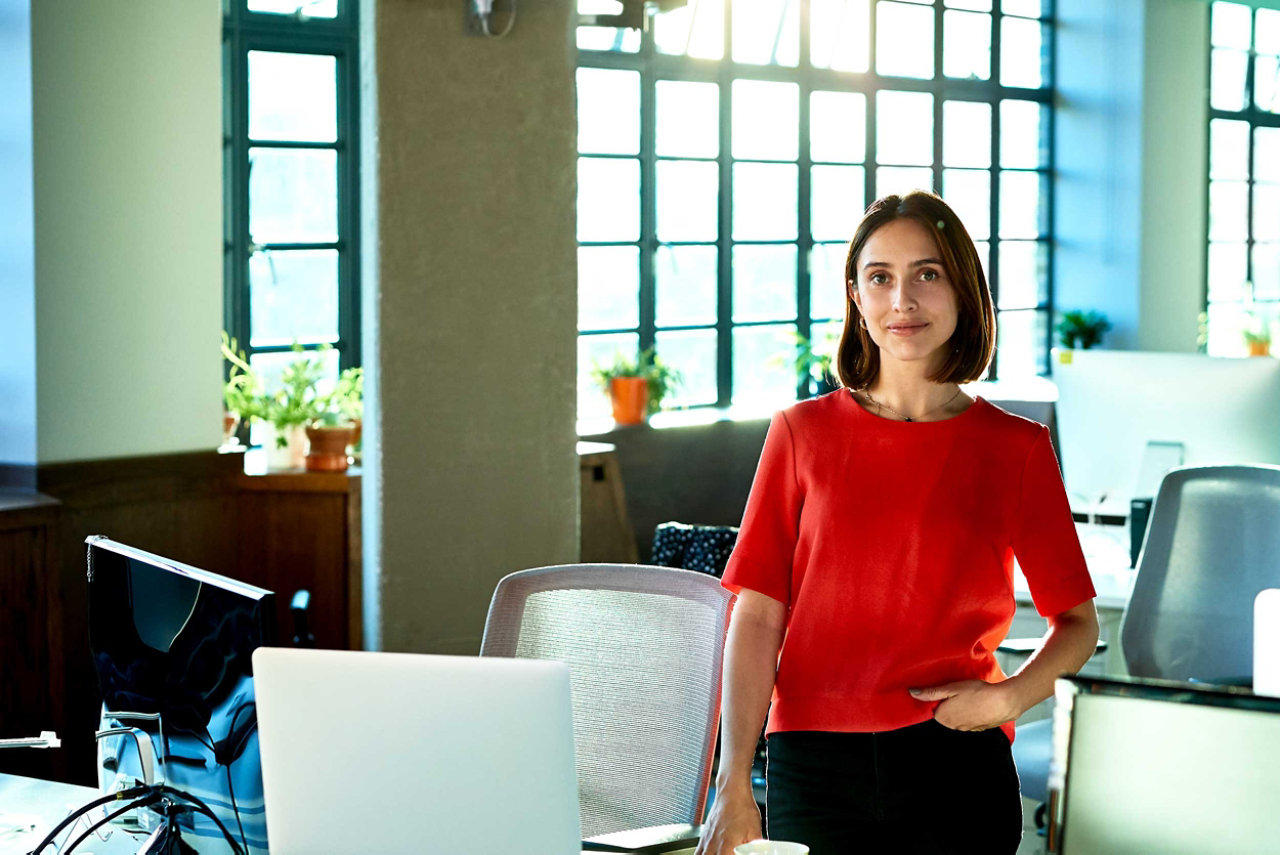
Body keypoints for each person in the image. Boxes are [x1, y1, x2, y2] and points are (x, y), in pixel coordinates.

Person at [695, 191, 1100, 855]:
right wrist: (731, 780)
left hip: (955, 761)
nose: (902, 300)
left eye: (927, 273)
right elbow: (759, 616)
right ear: (856, 296)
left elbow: (1077, 623)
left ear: (962, 288)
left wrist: (1008, 699)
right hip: (811, 762)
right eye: (880, 276)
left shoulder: (1016, 448)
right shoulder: (799, 433)